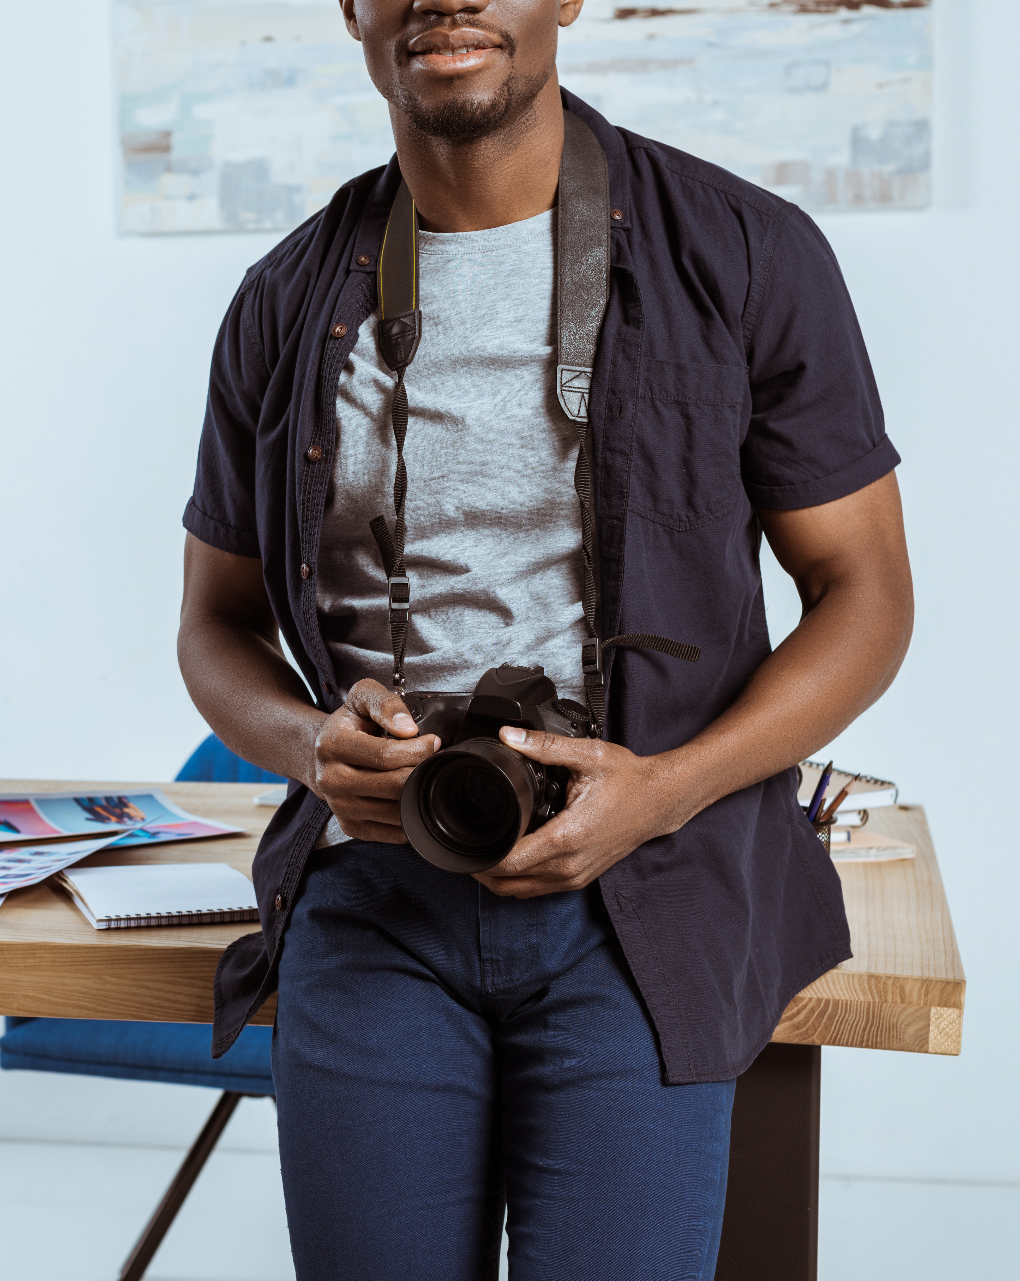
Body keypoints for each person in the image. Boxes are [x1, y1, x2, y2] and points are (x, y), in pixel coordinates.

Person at [174, 2, 914, 1278]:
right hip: (377, 905)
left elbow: (866, 597)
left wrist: (663, 790)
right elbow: (213, 625)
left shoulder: (747, 253)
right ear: (351, 8)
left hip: (650, 900)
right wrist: (310, 747)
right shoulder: (283, 298)